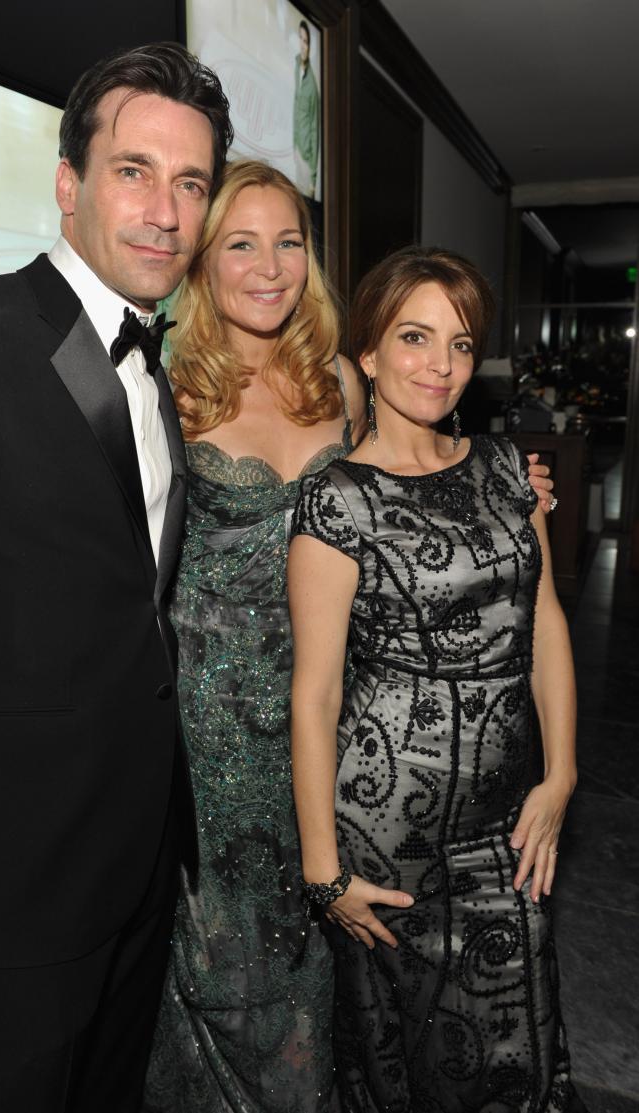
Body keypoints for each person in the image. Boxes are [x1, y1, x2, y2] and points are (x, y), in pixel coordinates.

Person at [141, 168, 556, 1112]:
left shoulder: (339, 377)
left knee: (333, 951)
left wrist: (511, 509)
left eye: (288, 241)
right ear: (204, 262)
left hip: (348, 714)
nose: (268, 265)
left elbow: (406, 492)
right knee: (225, 955)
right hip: (212, 726)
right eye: (240, 243)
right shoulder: (168, 382)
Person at [0, 43, 232, 1113]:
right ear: (69, 184)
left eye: (191, 183)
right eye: (134, 170)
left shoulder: (152, 370)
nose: (165, 211)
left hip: (130, 878)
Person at [288, 246, 581, 1112]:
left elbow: (547, 622)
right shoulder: (337, 500)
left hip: (505, 817)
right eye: (415, 338)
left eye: (459, 344)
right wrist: (324, 870)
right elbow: (318, 693)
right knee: (406, 1057)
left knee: (516, 1041)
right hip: (386, 830)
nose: (441, 365)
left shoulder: (504, 469)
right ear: (369, 352)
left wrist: (561, 774)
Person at [292, 20, 319, 199]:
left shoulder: (313, 88)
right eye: (301, 39)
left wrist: (313, 179)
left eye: (306, 41)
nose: (303, 45)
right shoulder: (295, 64)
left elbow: (315, 129)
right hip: (295, 148)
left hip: (306, 157)